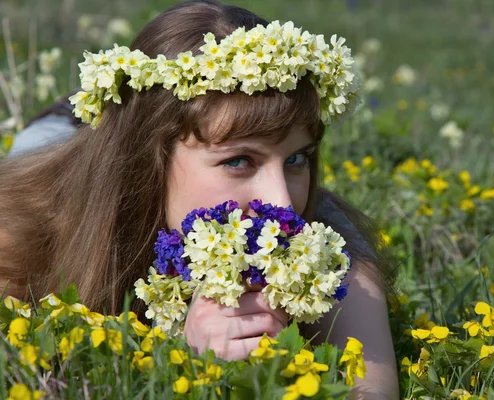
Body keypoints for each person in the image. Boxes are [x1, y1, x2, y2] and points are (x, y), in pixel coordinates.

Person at [0, 1, 399, 398]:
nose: (282, 202)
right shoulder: (19, 233)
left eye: (297, 158)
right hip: (62, 147)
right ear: (149, 161)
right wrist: (184, 360)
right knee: (40, 141)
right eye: (239, 160)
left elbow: (371, 391)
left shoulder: (323, 248)